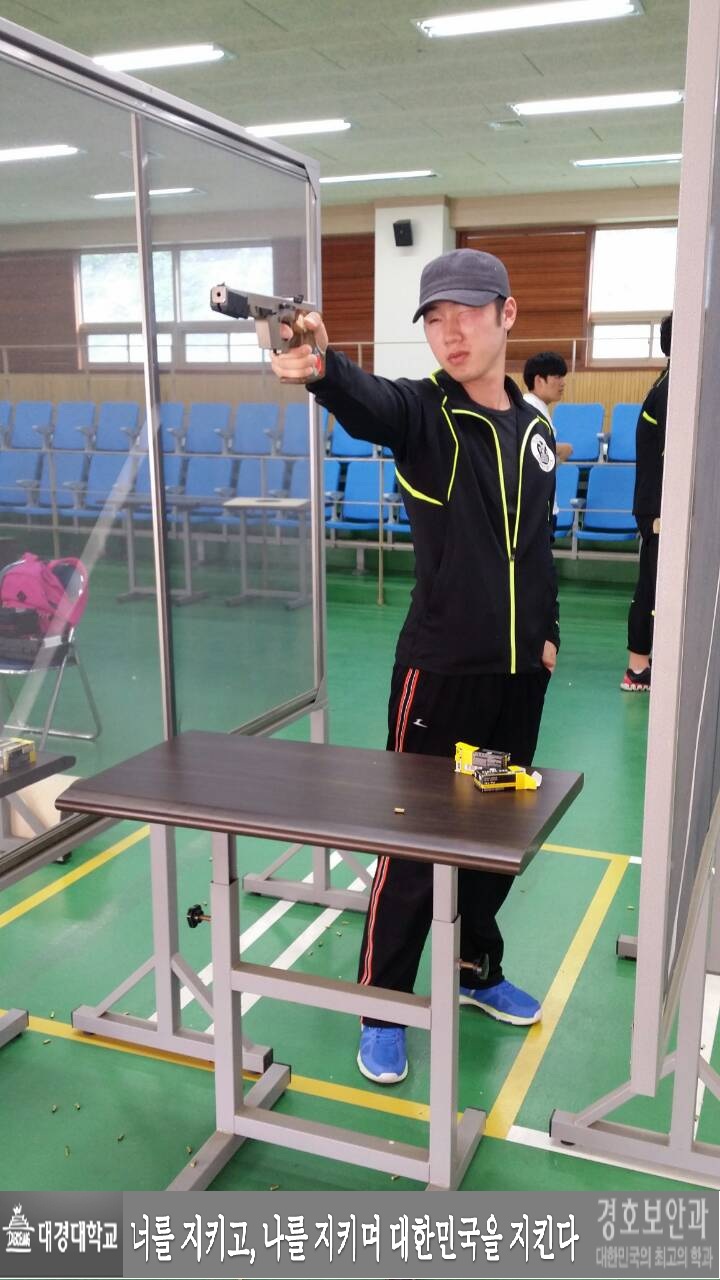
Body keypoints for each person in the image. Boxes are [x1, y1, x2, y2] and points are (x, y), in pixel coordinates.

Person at [271, 248, 559, 1085]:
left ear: (506, 313)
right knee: (413, 844)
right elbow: (368, 401)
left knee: (491, 830)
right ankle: (384, 1005)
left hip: (516, 683)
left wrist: (543, 637)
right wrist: (321, 367)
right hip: (439, 680)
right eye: (435, 318)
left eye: (466, 313)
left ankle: (475, 970)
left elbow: (538, 545)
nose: (450, 332)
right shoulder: (425, 414)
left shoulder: (537, 429)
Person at [621, 313, 672, 693]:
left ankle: (644, 662)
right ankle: (637, 668)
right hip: (657, 508)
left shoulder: (669, 382)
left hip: (655, 504)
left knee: (654, 583)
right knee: (651, 586)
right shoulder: (670, 389)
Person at [522, 351, 574, 463]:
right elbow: (529, 449)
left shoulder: (535, 406)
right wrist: (560, 449)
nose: (563, 383)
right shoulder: (529, 409)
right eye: (557, 377)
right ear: (539, 380)